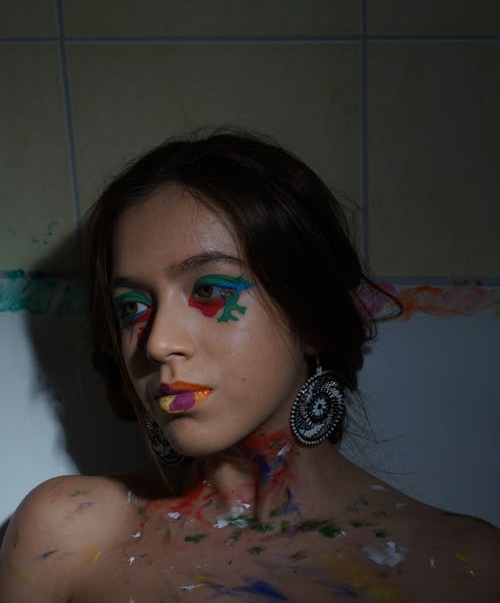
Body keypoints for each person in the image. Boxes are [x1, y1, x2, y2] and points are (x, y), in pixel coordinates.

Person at [1, 130, 499, 603]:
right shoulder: (64, 534)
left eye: (211, 290)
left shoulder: (460, 568)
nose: (157, 343)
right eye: (132, 307)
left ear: (310, 318)